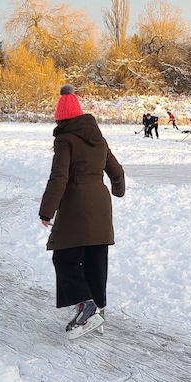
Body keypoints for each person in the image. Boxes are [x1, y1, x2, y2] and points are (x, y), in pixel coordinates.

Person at [39, 85, 126, 339]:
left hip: (76, 203)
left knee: (64, 257)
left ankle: (87, 307)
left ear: (61, 118)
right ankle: (98, 310)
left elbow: (59, 177)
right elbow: (117, 171)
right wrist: (118, 190)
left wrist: (47, 211)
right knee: (96, 258)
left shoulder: (64, 139)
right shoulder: (97, 137)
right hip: (100, 202)